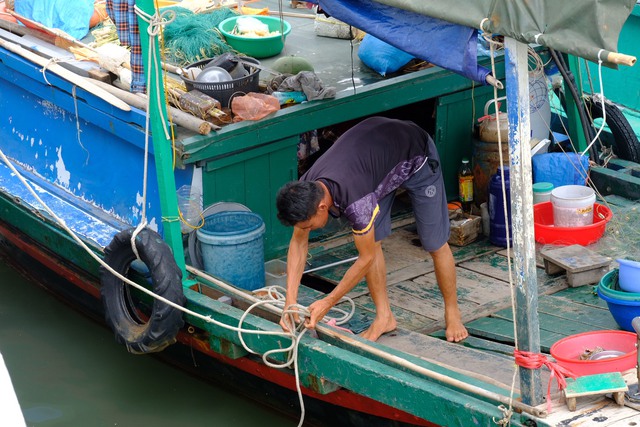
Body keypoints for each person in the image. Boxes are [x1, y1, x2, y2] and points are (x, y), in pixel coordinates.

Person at [275, 116, 468, 342]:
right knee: (372, 240)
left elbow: (364, 259)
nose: (308, 230)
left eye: (309, 226)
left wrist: (327, 302)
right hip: (376, 163)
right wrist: (290, 301)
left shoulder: (356, 200)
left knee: (434, 243)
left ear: (322, 207)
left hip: (415, 154)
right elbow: (298, 241)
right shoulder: (306, 187)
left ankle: (453, 313)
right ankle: (384, 317)